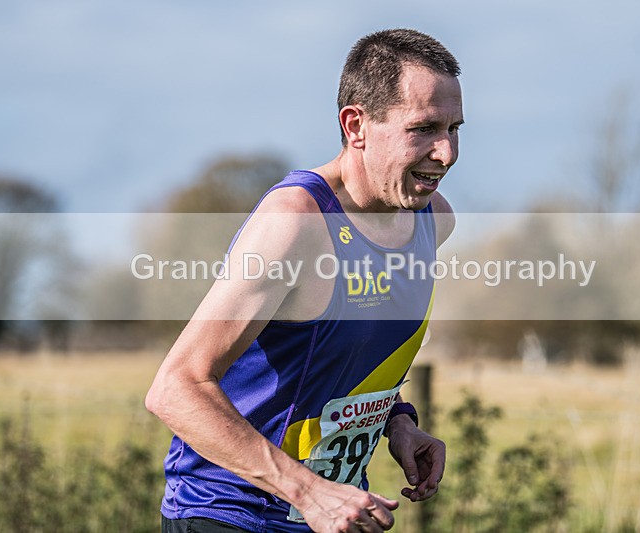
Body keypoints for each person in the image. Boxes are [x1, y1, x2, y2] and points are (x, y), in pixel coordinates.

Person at [146, 28, 463, 533]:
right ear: (356, 124)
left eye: (454, 128)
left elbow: (347, 356)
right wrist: (310, 491)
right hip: (230, 516)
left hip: (327, 519)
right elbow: (176, 388)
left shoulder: (431, 220)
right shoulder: (296, 221)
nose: (446, 153)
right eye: (423, 129)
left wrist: (396, 420)